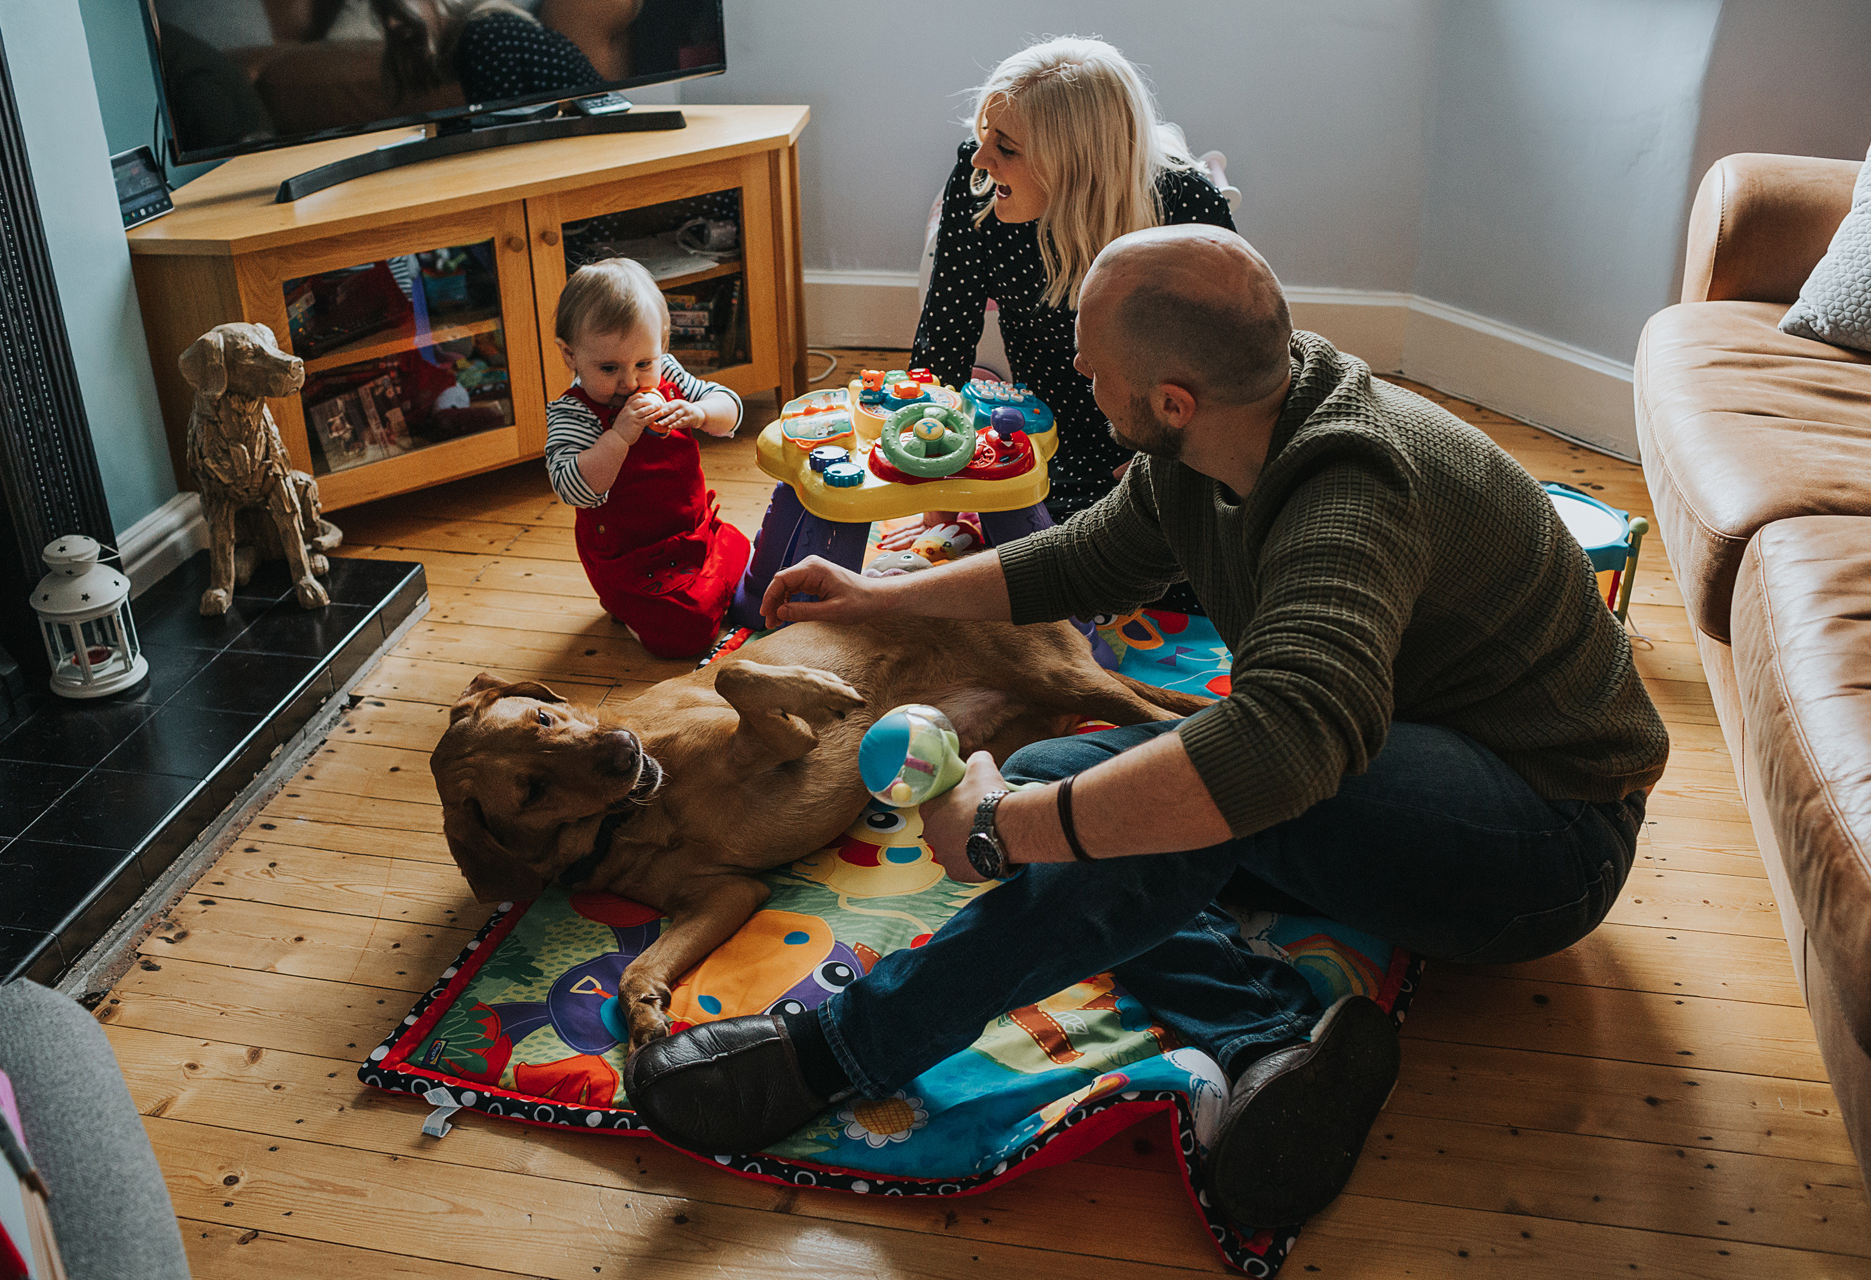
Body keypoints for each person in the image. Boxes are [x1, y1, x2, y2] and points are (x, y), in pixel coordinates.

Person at [625, 225, 1670, 1228]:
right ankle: (1270, 1042)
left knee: (1165, 795)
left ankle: (844, 1048)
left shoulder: (1346, 487)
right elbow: (1082, 559)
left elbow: (1282, 743)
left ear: (1171, 397)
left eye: (1092, 372)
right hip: (1401, 758)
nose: (1079, 382)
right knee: (1067, 770)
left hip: (1548, 831)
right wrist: (876, 597)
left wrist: (1005, 830)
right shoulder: (1229, 421)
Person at [883, 37, 1234, 612]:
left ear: (1076, 162)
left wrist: (1173, 460)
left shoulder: (1184, 204)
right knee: (1031, 566)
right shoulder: (979, 189)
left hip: (1169, 444)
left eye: (1007, 147)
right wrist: (938, 494)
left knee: (1198, 575)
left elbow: (1236, 359)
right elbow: (944, 339)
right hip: (1051, 437)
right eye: (984, 136)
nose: (980, 158)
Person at [544, 258, 749, 658]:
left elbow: (731, 408)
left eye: (643, 363)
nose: (631, 381)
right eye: (609, 368)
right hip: (630, 559)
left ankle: (696, 593)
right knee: (687, 632)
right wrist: (619, 435)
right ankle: (643, 612)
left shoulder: (667, 373)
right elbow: (574, 488)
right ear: (570, 355)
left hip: (693, 532)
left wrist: (702, 413)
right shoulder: (575, 413)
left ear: (663, 344)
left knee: (745, 555)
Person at [372, 0, 601, 106]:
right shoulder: (477, 32)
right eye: (385, 13)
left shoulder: (482, 33)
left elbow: (504, 130)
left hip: (594, 141)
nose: (392, 23)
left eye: (398, 7)